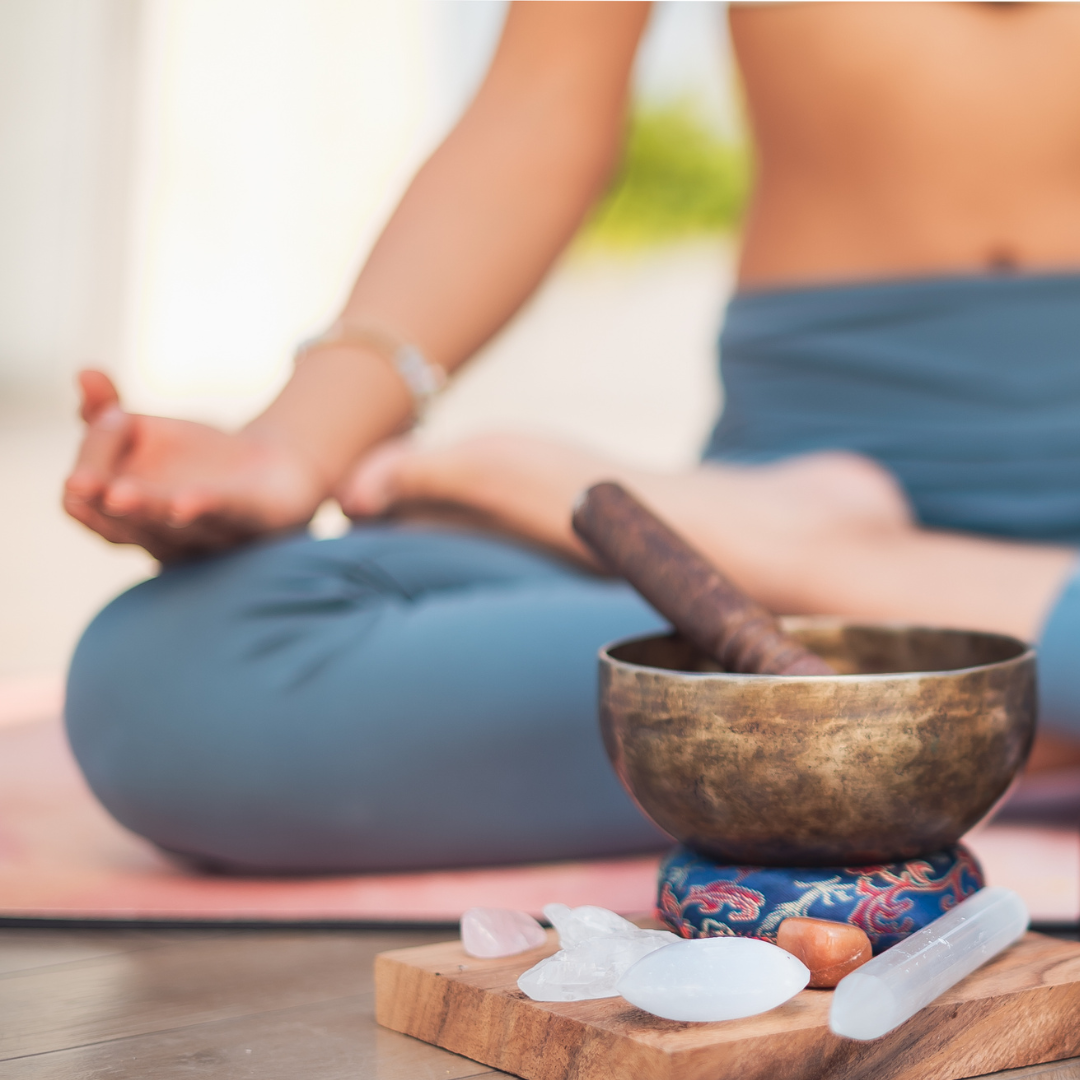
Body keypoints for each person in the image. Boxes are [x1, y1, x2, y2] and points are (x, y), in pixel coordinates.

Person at [63, 2, 1080, 874]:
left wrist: (817, 559)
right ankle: (1008, 720)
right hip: (788, 491)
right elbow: (537, 108)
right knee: (173, 680)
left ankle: (838, 579)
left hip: (772, 548)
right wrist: (292, 445)